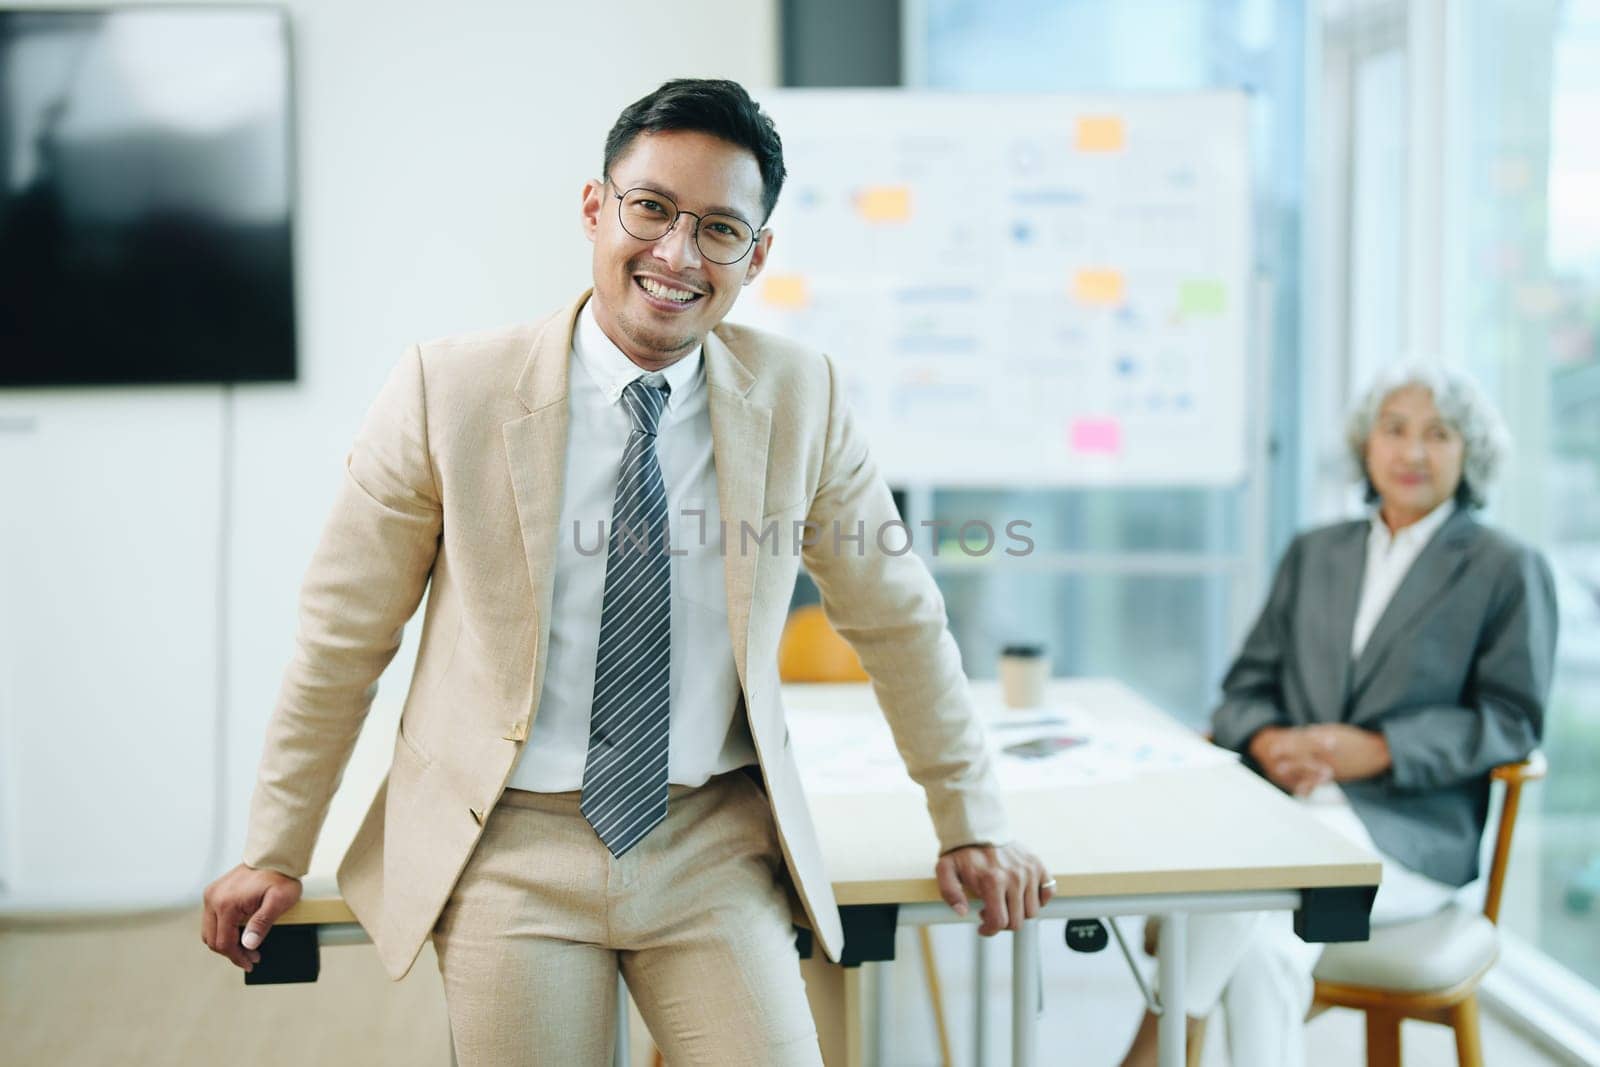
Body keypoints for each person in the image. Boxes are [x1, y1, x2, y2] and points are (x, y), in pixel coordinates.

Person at [200, 78, 1052, 1065]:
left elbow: (898, 621)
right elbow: (342, 638)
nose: (677, 254)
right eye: (651, 208)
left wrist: (970, 819)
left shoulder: (800, 397)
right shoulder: (449, 390)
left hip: (708, 840)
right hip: (508, 839)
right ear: (596, 206)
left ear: (757, 254)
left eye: (720, 229)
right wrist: (275, 846)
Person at [1118, 362, 1558, 1067]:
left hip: (1410, 834)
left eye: (1438, 434)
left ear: (1469, 452)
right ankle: (1166, 1040)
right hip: (1288, 808)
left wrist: (1380, 748)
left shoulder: (1504, 566)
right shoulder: (1315, 553)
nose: (1412, 452)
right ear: (1366, 444)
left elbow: (1511, 718)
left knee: (1252, 879)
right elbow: (1243, 690)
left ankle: (1159, 1042)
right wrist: (1270, 737)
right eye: (1394, 429)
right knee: (1264, 943)